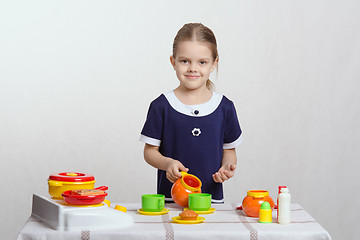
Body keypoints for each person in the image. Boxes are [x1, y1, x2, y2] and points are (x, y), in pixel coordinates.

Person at [140, 23, 242, 203]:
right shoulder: (161, 106)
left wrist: (226, 167)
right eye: (184, 61)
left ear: (213, 64)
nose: (192, 68)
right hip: (170, 200)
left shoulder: (225, 107)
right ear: (173, 62)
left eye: (202, 62)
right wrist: (167, 164)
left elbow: (229, 150)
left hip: (209, 201)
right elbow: (149, 152)